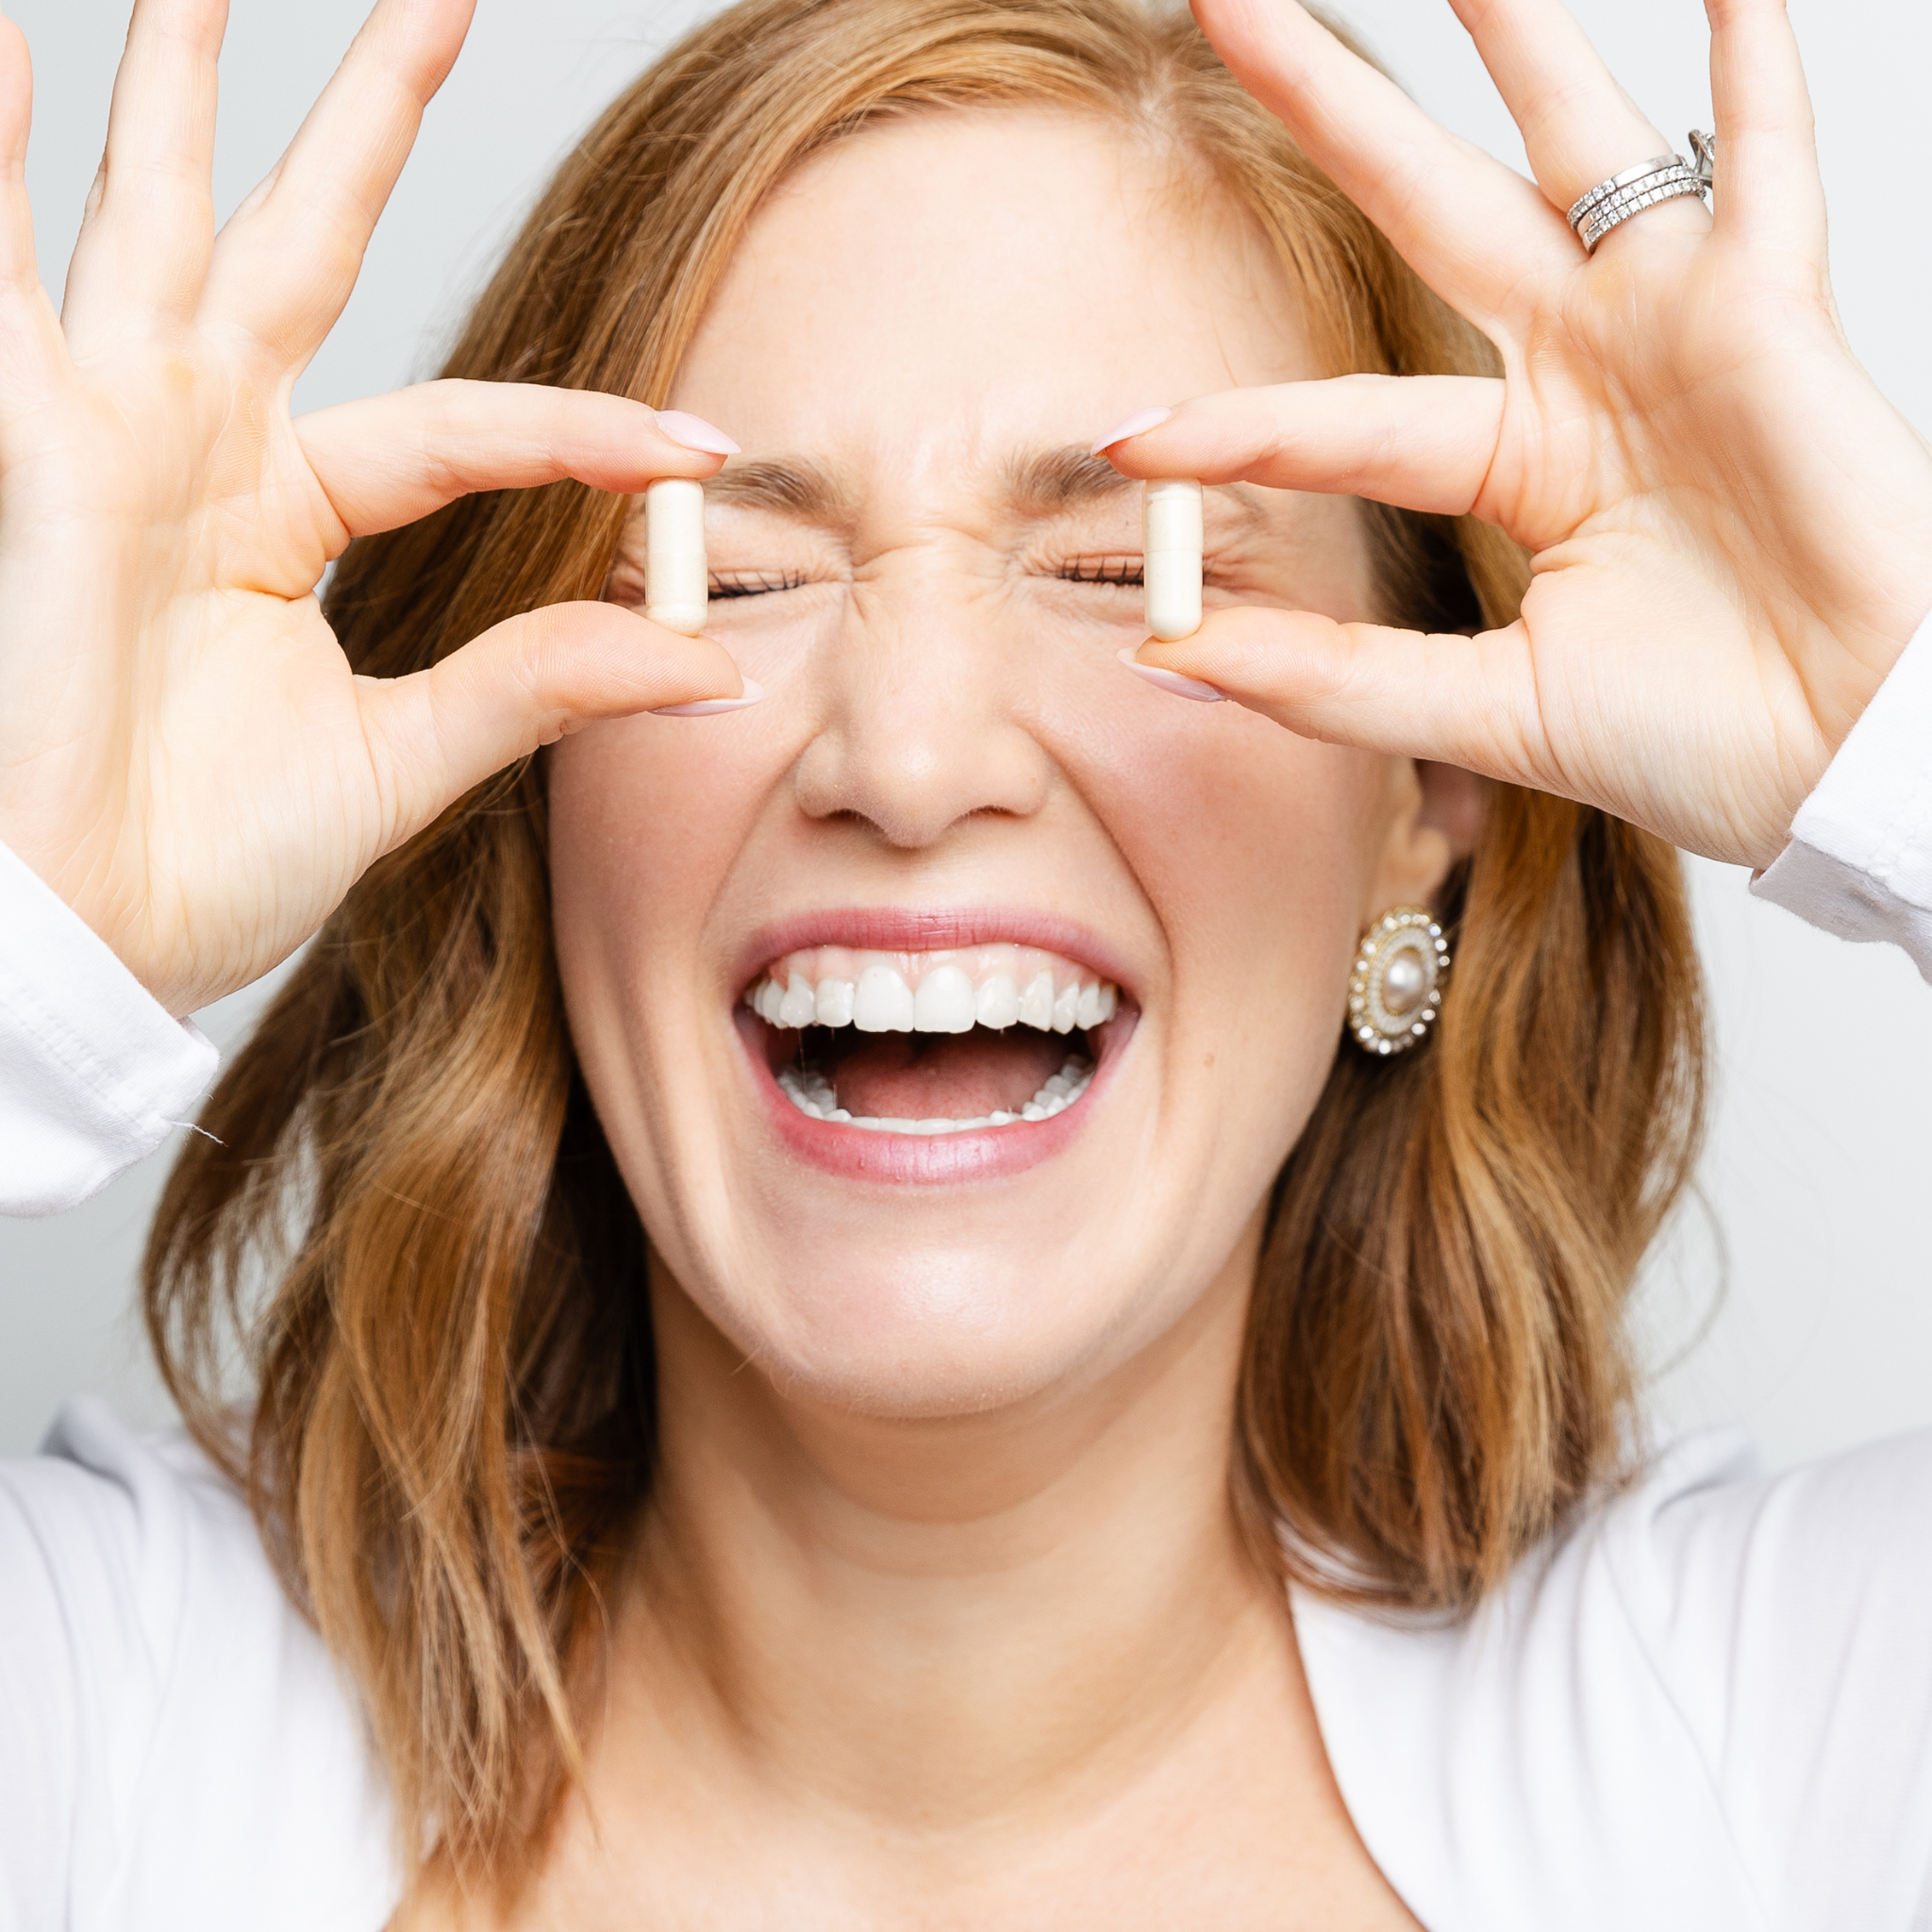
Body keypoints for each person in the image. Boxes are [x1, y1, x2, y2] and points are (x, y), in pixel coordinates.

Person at [2, 0, 1928, 1924]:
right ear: (516, 784)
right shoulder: (104, 1727)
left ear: (1431, 786)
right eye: (718, 574)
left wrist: (1888, 718)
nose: (910, 764)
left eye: (1131, 572)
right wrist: (37, 926)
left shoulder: (1785, 1745)